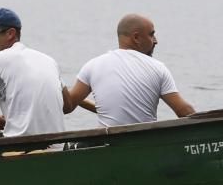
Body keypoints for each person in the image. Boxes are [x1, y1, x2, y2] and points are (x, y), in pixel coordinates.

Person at [66, 14, 195, 125]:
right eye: (152, 35)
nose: (156, 41)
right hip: (144, 143)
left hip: (108, 144)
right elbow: (184, 112)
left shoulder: (92, 66)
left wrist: (58, 88)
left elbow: (68, 106)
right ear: (136, 38)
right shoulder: (157, 67)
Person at [0, 8, 70, 137]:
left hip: (20, 146)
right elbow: (67, 106)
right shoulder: (49, 60)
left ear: (10, 33)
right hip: (59, 145)